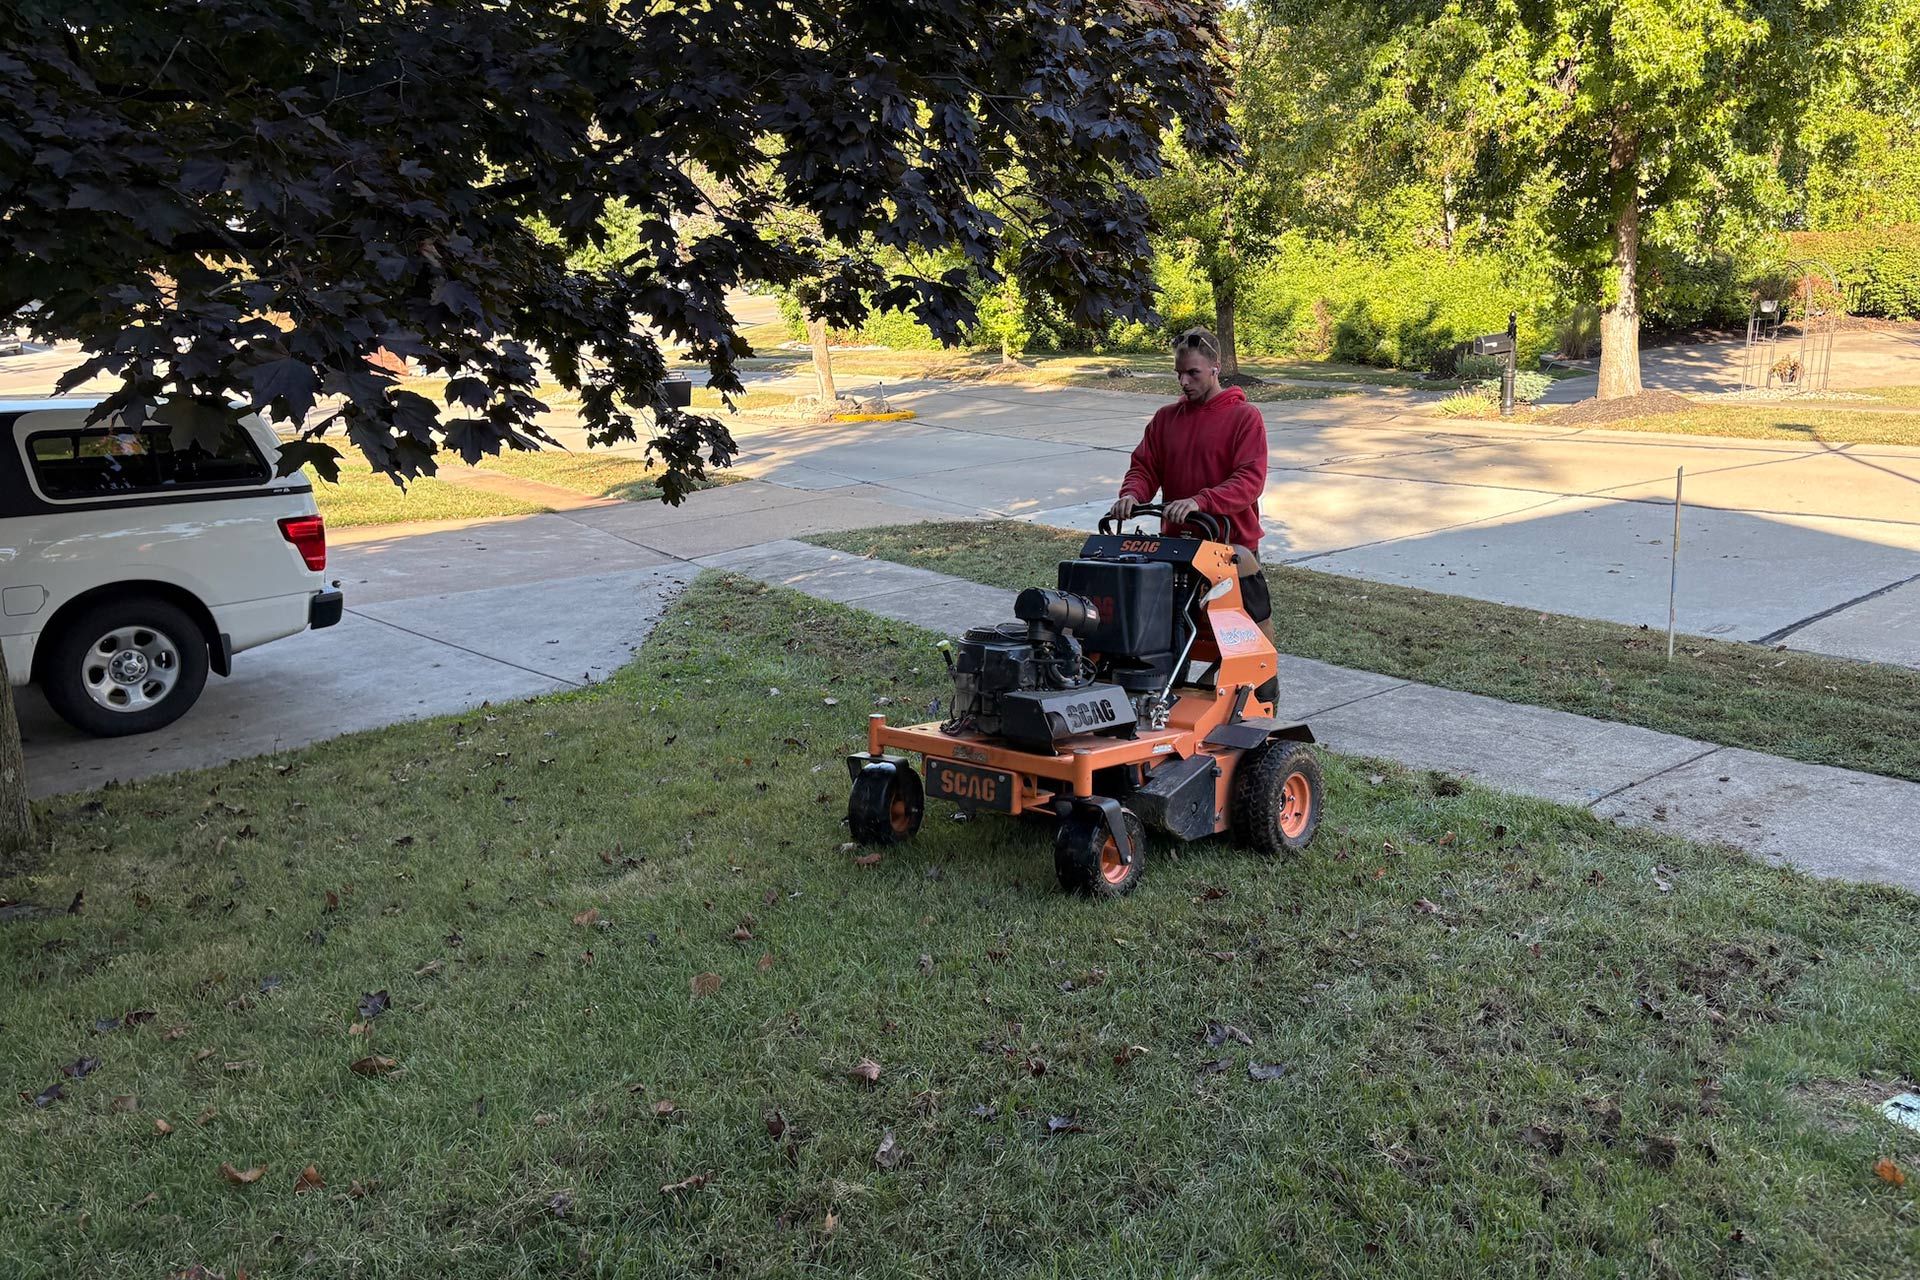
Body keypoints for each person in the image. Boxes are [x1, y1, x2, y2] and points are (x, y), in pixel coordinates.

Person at [1106, 327, 1276, 694]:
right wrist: (1131, 495)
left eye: (1192, 373)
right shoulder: (1167, 419)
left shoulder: (1244, 418)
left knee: (1249, 639)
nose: (1183, 382)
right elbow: (1144, 467)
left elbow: (1249, 480)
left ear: (1215, 368)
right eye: (1178, 373)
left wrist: (1201, 501)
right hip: (1176, 550)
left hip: (1233, 551)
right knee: (1169, 635)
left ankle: (1263, 706)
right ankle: (1168, 707)